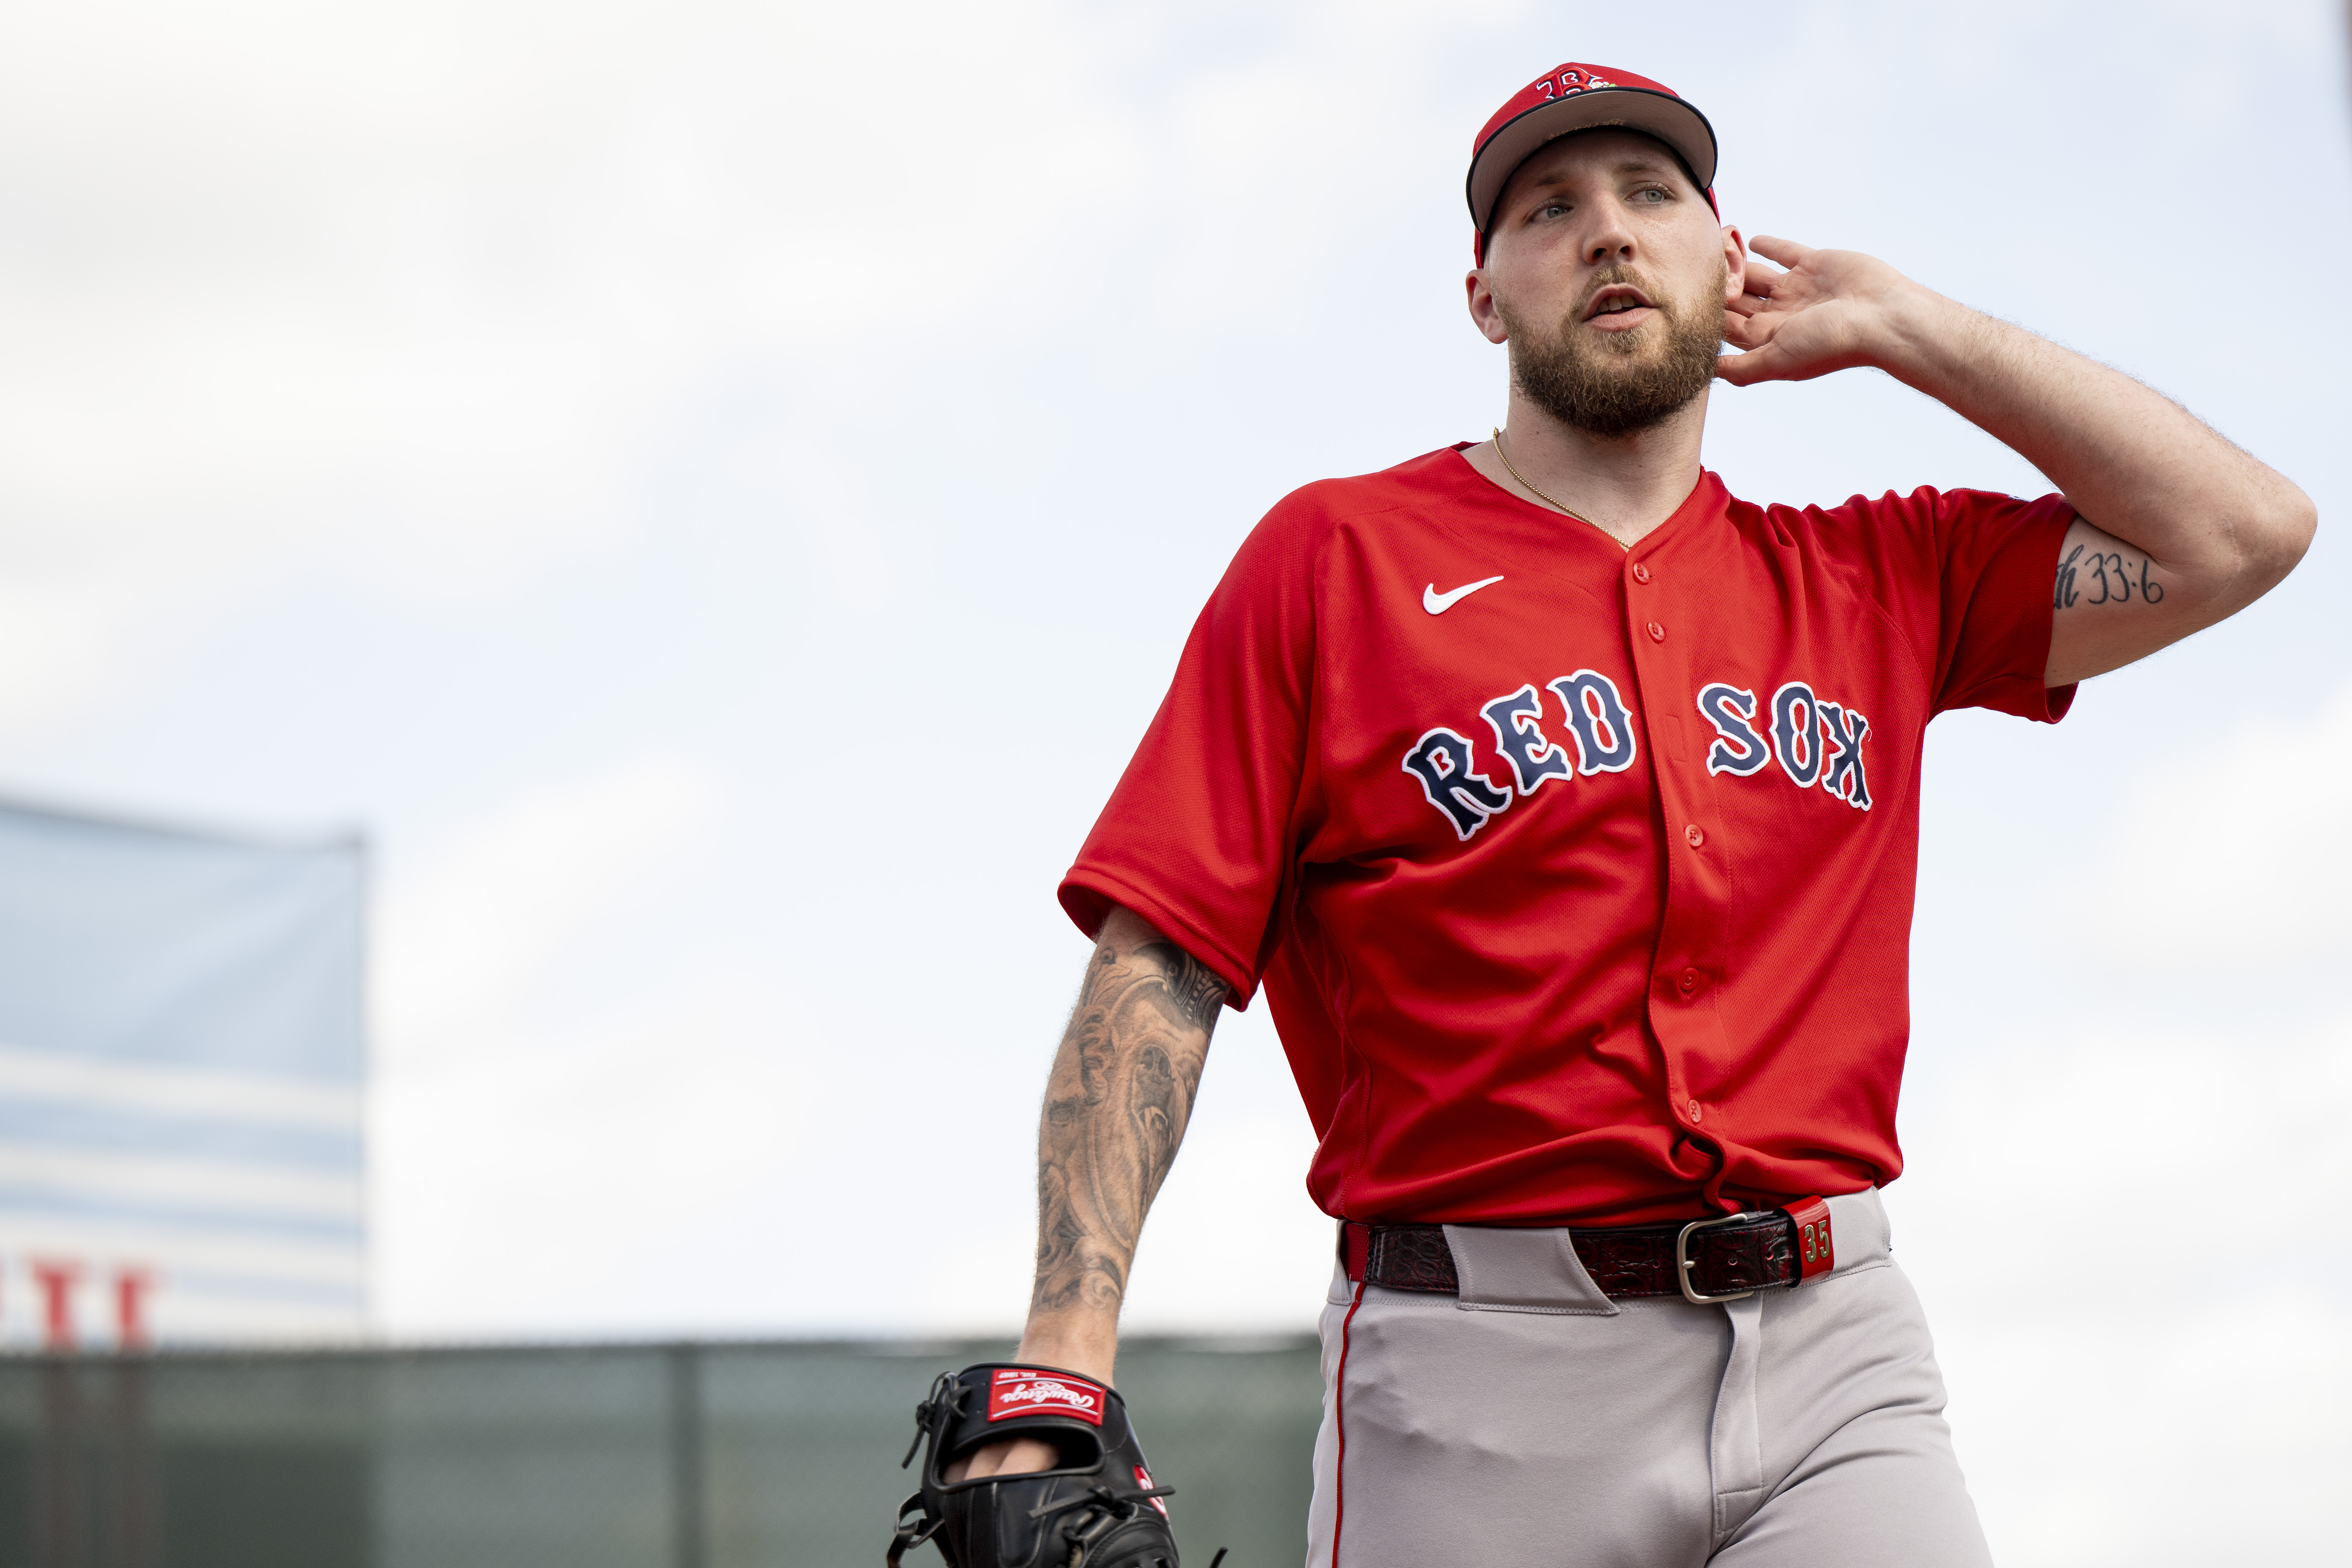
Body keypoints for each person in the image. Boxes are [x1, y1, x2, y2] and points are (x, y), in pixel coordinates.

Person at [957, 61, 2314, 1565]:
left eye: (1650, 196)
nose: (1605, 232)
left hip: (1834, 1358)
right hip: (1475, 1373)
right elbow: (1158, 967)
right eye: (1549, 208)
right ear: (1482, 296)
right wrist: (1058, 1366)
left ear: (1726, 261)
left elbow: (2242, 534)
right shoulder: (1332, 559)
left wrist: (1907, 329)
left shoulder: (1874, 575)